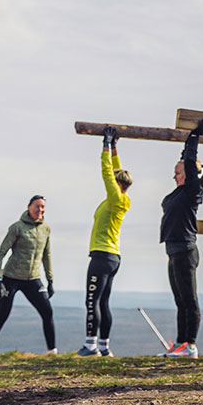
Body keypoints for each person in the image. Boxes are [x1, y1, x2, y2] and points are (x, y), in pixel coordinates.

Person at [157, 120, 203, 359]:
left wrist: (193, 137)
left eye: (177, 172)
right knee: (180, 300)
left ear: (189, 175)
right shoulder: (181, 191)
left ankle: (190, 345)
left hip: (185, 250)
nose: (174, 175)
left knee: (189, 300)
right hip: (173, 250)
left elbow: (189, 162)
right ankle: (181, 344)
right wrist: (188, 144)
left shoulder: (193, 190)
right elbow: (186, 161)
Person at [78, 129, 132, 357]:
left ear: (116, 184)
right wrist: (115, 148)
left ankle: (91, 345)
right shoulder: (121, 199)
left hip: (101, 256)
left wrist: (105, 145)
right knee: (103, 302)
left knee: (92, 301)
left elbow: (107, 173)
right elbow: (115, 171)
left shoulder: (114, 198)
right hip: (113, 257)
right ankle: (104, 346)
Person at [0, 195, 56, 355]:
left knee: (47, 312)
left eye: (43, 207)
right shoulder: (17, 227)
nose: (40, 210)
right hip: (11, 278)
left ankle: (52, 353)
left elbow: (47, 255)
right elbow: (1, 253)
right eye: (37, 206)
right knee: (2, 316)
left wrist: (50, 280)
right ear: (29, 207)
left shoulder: (45, 229)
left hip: (33, 279)